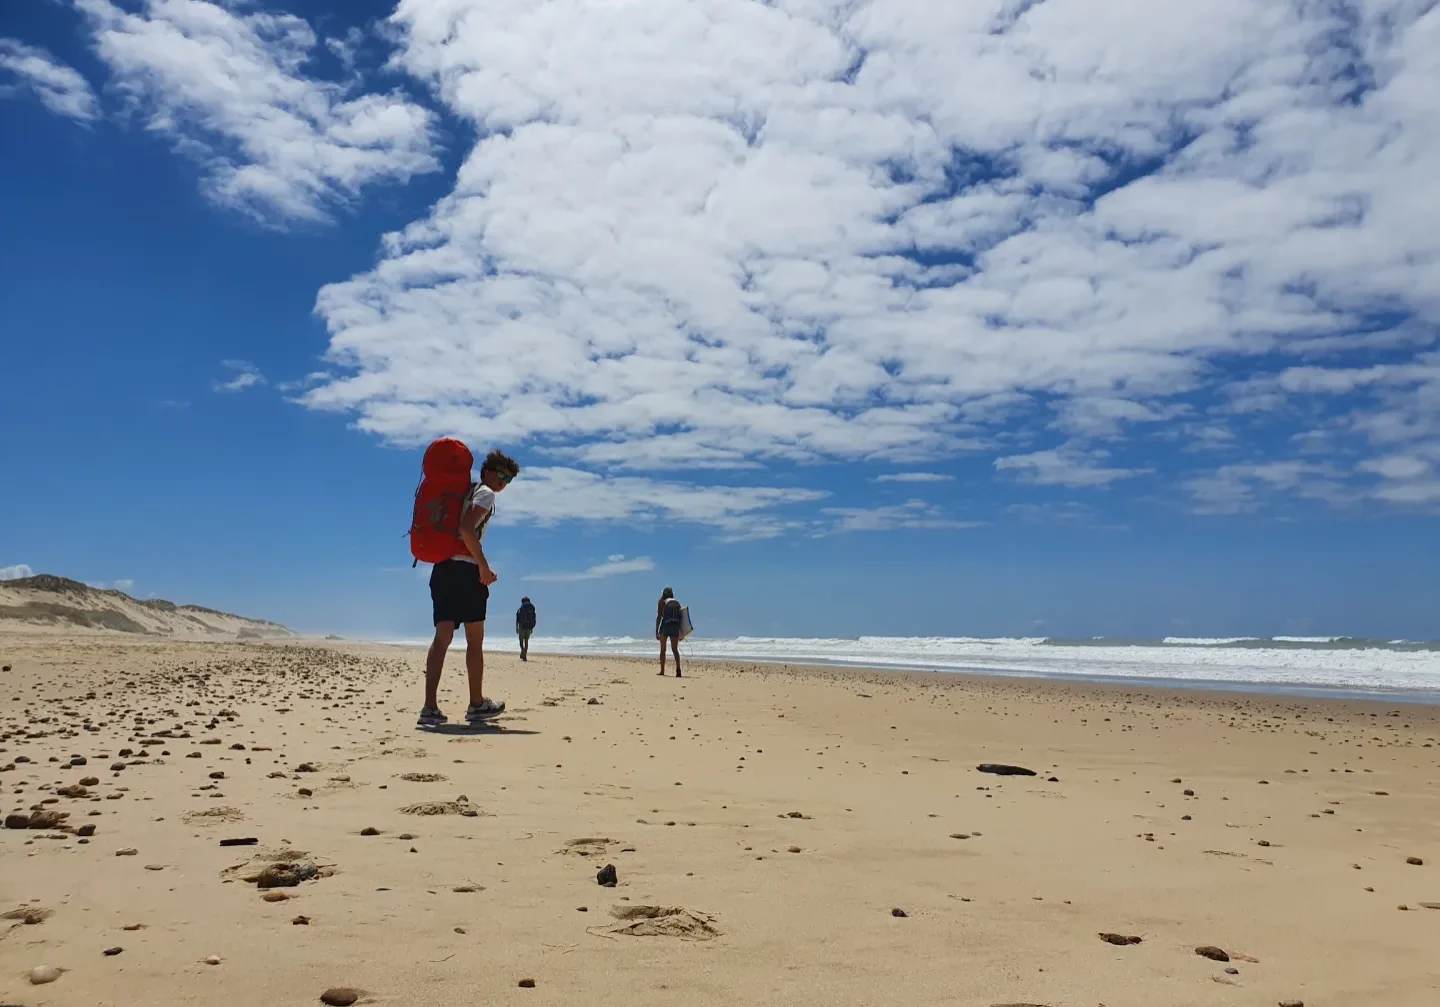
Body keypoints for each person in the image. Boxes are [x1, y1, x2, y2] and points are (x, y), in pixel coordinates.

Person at [419, 449, 521, 727]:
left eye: (508, 479)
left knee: (442, 638)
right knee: (475, 640)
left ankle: (429, 707)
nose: (503, 482)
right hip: (465, 572)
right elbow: (466, 529)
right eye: (500, 474)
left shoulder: (465, 492)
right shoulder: (485, 494)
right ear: (487, 471)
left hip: (442, 569)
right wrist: (484, 567)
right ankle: (476, 704)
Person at [656, 586, 683, 677]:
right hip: (675, 627)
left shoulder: (661, 602)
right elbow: (681, 618)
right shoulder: (677, 603)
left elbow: (659, 617)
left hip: (665, 626)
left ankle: (662, 671)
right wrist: (681, 632)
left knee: (663, 650)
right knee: (675, 650)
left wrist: (656, 631)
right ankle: (678, 669)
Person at [516, 596, 537, 661]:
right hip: (529, 627)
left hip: (522, 627)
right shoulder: (532, 608)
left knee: (521, 641)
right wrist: (531, 628)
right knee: (526, 641)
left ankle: (523, 650)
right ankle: (525, 654)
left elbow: (517, 620)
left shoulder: (520, 609)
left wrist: (517, 628)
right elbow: (533, 618)